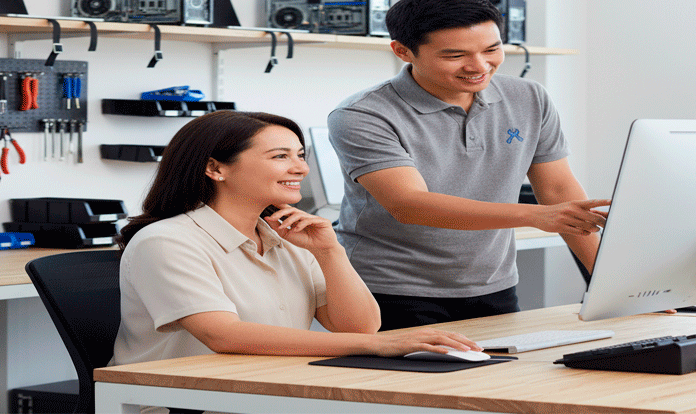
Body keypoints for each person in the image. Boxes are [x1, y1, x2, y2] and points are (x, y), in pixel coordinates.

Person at [110, 110, 480, 370]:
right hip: (177, 400)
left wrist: (330, 252)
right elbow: (224, 335)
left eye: (300, 155)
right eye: (281, 156)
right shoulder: (167, 241)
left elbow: (360, 328)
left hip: (265, 389)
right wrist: (380, 346)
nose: (300, 168)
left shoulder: (289, 238)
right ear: (215, 168)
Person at [328, 0, 609, 330]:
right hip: (388, 289)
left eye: (492, 49)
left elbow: (559, 190)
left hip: (494, 283)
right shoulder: (363, 114)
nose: (479, 66)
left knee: (501, 381)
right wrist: (536, 216)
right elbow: (410, 205)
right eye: (454, 55)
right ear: (403, 51)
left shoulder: (529, 97)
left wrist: (609, 286)